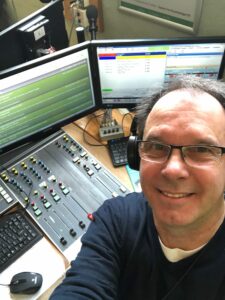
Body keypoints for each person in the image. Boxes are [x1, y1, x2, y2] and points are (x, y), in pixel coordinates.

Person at [50, 76, 225, 300]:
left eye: (201, 149)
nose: (172, 170)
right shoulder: (115, 219)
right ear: (136, 155)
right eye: (156, 146)